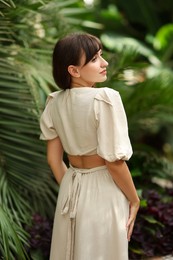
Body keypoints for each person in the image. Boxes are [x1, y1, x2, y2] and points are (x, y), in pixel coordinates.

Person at [40, 32, 140, 260]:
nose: (104, 63)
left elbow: (54, 160)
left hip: (71, 187)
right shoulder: (105, 98)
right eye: (95, 59)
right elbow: (114, 162)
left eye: (101, 56)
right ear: (73, 70)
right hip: (104, 188)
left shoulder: (54, 102)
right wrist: (134, 200)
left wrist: (72, 189)